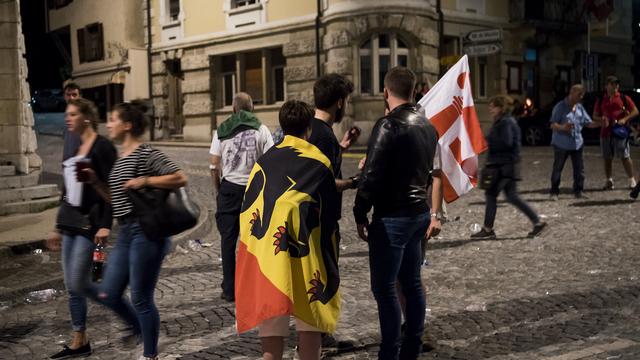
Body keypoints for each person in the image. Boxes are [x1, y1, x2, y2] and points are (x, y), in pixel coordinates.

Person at [235, 100, 340, 360]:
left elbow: (248, 210)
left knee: (271, 324)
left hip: (267, 257)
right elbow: (329, 217)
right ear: (309, 129)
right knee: (311, 321)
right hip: (306, 255)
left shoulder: (264, 161)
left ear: (282, 127)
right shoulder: (319, 161)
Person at [353, 66, 442, 360]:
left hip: (393, 216)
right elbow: (427, 174)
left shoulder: (388, 124)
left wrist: (359, 211)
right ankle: (411, 350)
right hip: (418, 213)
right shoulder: (428, 127)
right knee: (412, 283)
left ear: (386, 92)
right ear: (414, 91)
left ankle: (389, 353)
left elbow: (373, 173)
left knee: (385, 288)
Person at [89, 100, 188, 360]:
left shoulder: (145, 153)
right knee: (108, 293)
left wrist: (144, 180)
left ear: (128, 125)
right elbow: (117, 200)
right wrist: (96, 183)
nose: (108, 124)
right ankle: (144, 330)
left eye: (112, 119)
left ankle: (150, 354)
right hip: (124, 233)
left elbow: (180, 177)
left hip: (146, 232)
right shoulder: (120, 156)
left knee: (142, 298)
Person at [49, 98, 117, 359]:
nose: (67, 118)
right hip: (69, 223)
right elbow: (67, 191)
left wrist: (106, 225)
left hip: (91, 225)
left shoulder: (102, 147)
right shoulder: (76, 147)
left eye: (73, 114)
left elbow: (113, 190)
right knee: (71, 284)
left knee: (79, 280)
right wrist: (56, 226)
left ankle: (111, 279)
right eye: (67, 114)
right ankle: (80, 338)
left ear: (87, 117)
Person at [308, 73, 360, 349]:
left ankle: (316, 335)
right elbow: (326, 183)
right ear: (339, 102)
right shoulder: (325, 136)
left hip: (310, 218)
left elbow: (320, 167)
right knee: (327, 277)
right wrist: (354, 182)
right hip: (323, 219)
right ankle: (319, 337)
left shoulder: (312, 129)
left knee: (319, 274)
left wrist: (343, 147)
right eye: (347, 101)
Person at [209, 92, 274, 302]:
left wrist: (219, 191)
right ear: (252, 108)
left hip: (229, 189)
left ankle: (229, 289)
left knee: (228, 241)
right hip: (253, 191)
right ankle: (254, 286)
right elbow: (271, 161)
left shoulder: (221, 130)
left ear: (234, 109)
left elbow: (213, 166)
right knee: (254, 240)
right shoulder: (262, 129)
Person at [471, 95, 547, 240]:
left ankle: (488, 229)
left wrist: (488, 142)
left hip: (504, 166)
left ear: (501, 108)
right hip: (505, 165)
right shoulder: (502, 121)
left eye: (493, 106)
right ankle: (537, 222)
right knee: (511, 196)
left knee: (492, 194)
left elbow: (506, 142)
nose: (490, 109)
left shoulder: (505, 122)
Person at [549, 84, 601, 200]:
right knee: (558, 168)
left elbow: (588, 123)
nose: (580, 97)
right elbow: (552, 124)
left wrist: (599, 124)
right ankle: (554, 192)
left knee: (579, 169)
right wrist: (563, 127)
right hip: (561, 143)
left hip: (577, 143)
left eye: (582, 95)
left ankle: (578, 190)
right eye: (578, 95)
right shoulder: (560, 106)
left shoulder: (580, 108)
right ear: (571, 93)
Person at [593, 75, 638, 190]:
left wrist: (625, 119)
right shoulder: (601, 100)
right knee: (607, 157)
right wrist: (601, 119)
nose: (615, 86)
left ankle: (632, 180)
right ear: (606, 86)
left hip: (620, 131)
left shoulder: (623, 98)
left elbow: (635, 111)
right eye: (612, 84)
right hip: (605, 132)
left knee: (625, 156)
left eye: (616, 84)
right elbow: (594, 116)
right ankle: (609, 181)